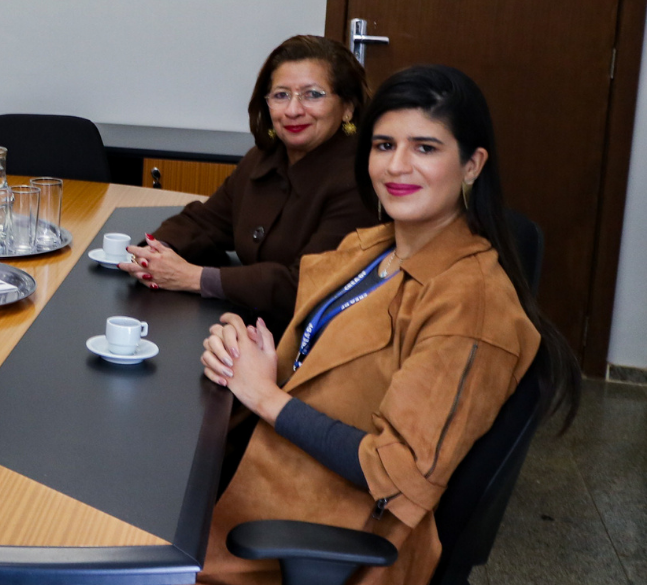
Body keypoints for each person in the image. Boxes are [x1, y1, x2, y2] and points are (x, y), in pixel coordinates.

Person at [197, 64, 580, 585]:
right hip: (262, 478)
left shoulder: (473, 305)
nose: (397, 166)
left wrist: (264, 395)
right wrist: (250, 350)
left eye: (425, 148)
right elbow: (325, 355)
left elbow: (393, 470)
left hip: (321, 535)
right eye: (383, 146)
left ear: (472, 165)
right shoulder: (374, 249)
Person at [123, 35, 378, 327]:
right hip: (250, 323)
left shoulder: (360, 179)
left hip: (311, 342)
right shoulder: (263, 157)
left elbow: (305, 285)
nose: (293, 110)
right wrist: (155, 254)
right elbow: (206, 222)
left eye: (313, 95)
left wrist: (193, 278)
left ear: (347, 107)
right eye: (281, 95)